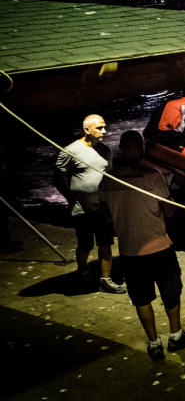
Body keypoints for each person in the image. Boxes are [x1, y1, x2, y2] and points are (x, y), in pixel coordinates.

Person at [101, 131, 185, 360]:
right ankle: (176, 335)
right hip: (158, 246)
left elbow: (107, 215)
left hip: (129, 250)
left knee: (141, 297)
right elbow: (169, 211)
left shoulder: (107, 180)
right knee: (171, 291)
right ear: (139, 148)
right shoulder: (152, 176)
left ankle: (153, 342)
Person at [54, 114, 125, 293]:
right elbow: (58, 177)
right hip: (82, 209)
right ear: (87, 130)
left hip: (102, 207)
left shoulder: (105, 151)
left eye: (104, 127)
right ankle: (82, 270)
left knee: (106, 243)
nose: (105, 131)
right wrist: (71, 198)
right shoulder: (71, 150)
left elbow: (109, 178)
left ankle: (105, 279)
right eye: (99, 128)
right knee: (85, 244)